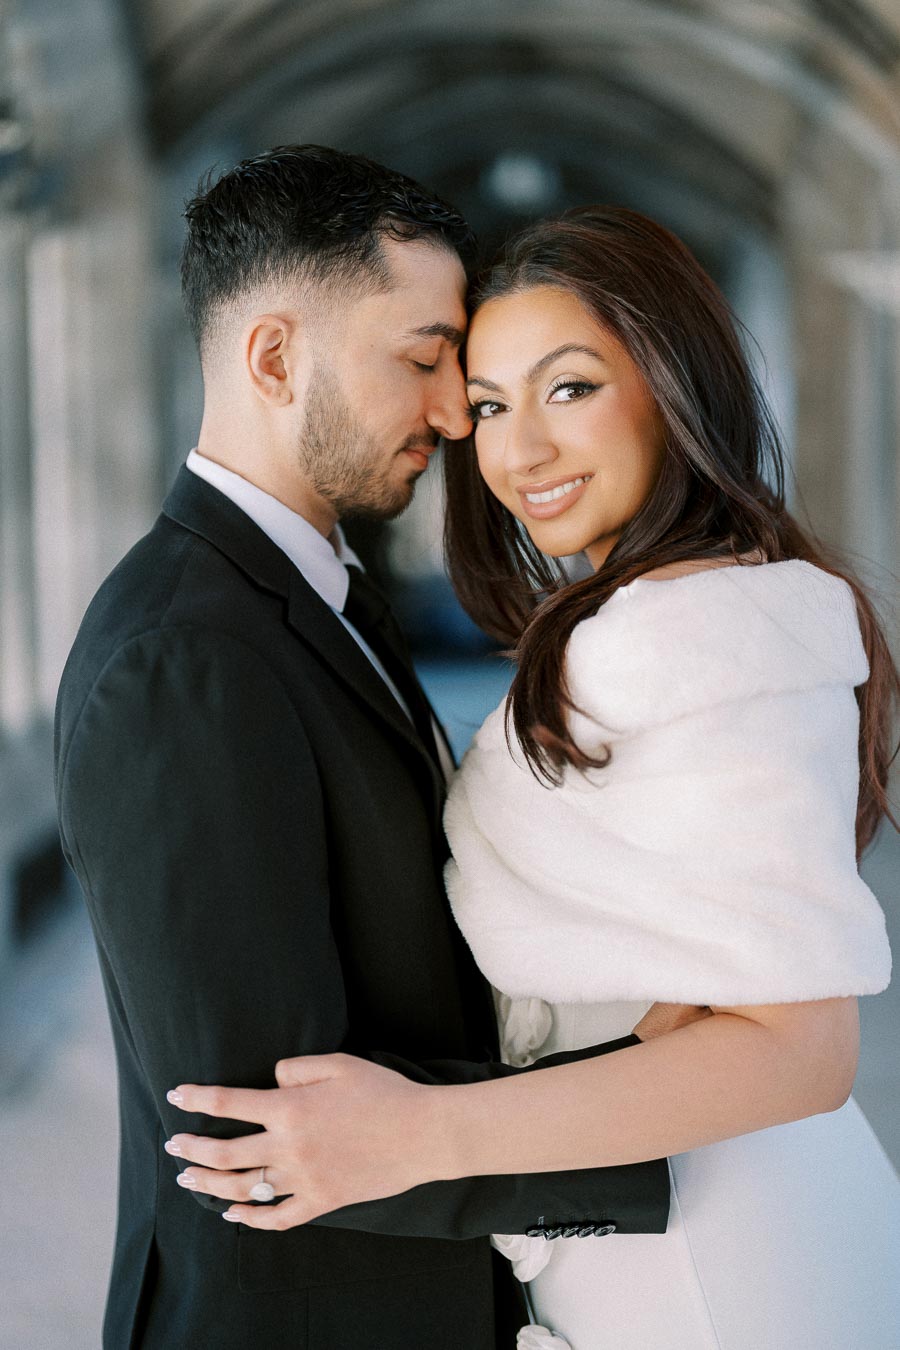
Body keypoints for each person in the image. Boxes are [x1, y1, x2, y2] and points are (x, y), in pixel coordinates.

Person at [167, 207, 900, 1349]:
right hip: (654, 1217)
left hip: (726, 1251)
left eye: (570, 388)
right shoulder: (645, 617)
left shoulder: (704, 631)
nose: (520, 454)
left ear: (673, 381)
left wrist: (417, 1134)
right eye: (493, 405)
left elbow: (803, 1049)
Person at [54, 153, 684, 1350]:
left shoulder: (307, 592)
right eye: (422, 356)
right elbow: (266, 1130)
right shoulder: (184, 657)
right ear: (276, 359)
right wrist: (650, 1137)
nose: (456, 415)